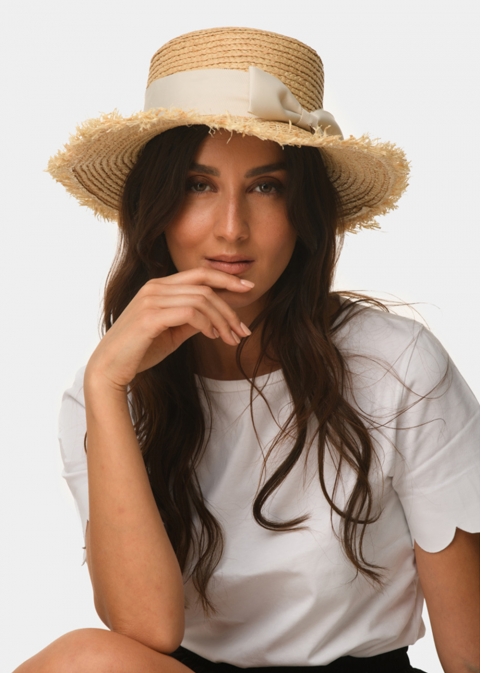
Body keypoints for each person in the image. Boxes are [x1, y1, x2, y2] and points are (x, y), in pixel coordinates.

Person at [15, 27, 479, 673]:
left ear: (304, 211)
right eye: (198, 185)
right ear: (157, 210)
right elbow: (146, 628)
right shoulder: (108, 387)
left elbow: (470, 647)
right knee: (85, 659)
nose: (231, 226)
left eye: (266, 186)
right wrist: (105, 390)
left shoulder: (393, 361)